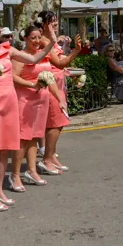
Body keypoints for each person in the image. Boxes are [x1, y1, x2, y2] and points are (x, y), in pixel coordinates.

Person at [0, 16, 54, 207]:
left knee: (5, 149)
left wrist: (52, 41)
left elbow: (33, 58)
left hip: (9, 102)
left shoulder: (8, 49)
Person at [12, 25, 59, 190]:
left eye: (39, 37)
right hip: (25, 101)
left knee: (34, 136)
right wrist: (32, 84)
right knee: (23, 139)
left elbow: (50, 78)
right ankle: (15, 175)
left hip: (41, 100)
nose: (37, 41)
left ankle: (31, 170)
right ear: (24, 39)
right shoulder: (20, 56)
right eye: (33, 38)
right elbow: (13, 77)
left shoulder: (42, 56)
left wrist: (59, 98)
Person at [36, 10, 82, 175]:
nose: (55, 23)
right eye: (51, 21)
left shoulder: (51, 40)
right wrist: (76, 51)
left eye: (56, 20)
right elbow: (59, 63)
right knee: (56, 123)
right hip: (51, 86)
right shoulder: (43, 41)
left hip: (58, 84)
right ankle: (46, 159)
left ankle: (51, 156)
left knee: (57, 123)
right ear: (43, 24)